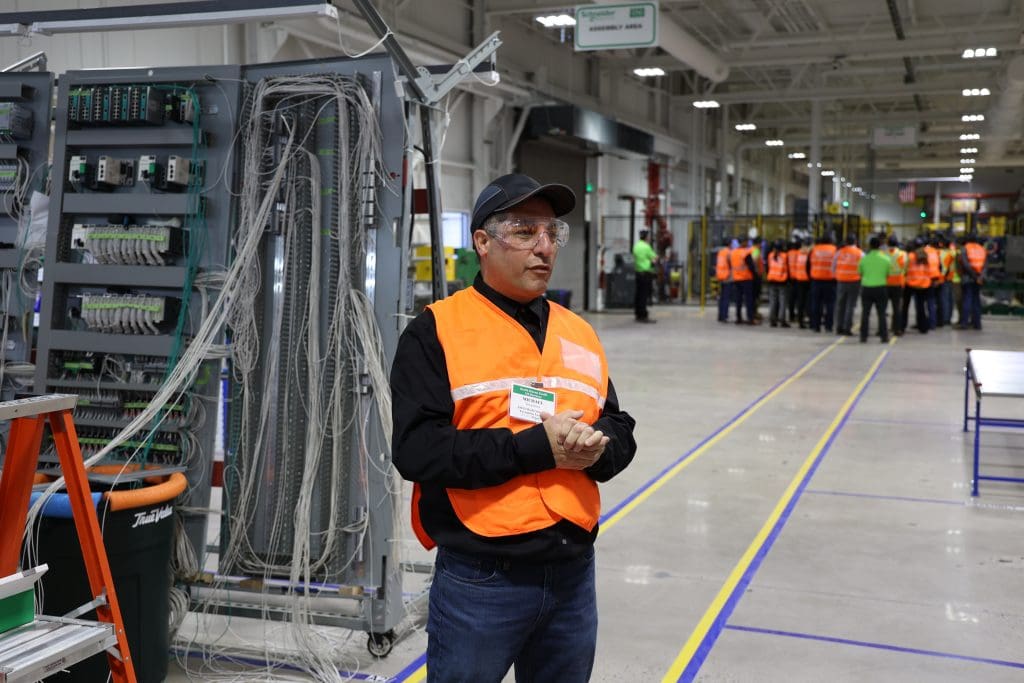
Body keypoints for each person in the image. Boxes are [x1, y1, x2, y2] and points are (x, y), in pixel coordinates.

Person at [390, 173, 637, 683]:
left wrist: (598, 449)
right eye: (525, 232)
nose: (543, 247)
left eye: (551, 234)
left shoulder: (579, 331)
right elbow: (417, 450)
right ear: (482, 241)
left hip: (573, 572)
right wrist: (533, 449)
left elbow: (616, 420)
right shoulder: (435, 331)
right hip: (483, 578)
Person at [858, 236, 890, 343]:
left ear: (869, 246)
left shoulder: (864, 259)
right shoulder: (886, 259)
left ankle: (863, 336)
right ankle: (884, 336)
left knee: (865, 313)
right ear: (880, 246)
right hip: (881, 288)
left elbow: (860, 273)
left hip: (867, 288)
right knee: (881, 313)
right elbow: (888, 274)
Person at [833, 234, 864, 336]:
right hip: (854, 281)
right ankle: (847, 328)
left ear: (846, 242)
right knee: (850, 305)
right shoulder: (860, 253)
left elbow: (833, 266)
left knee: (840, 305)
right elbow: (863, 268)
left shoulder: (839, 252)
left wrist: (836, 276)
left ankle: (838, 327)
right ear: (855, 241)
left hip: (841, 281)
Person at [808, 234, 837, 333]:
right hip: (830, 280)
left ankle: (816, 326)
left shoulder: (814, 249)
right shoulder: (834, 250)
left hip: (816, 280)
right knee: (830, 304)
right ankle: (828, 326)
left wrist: (811, 276)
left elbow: (808, 265)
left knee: (816, 303)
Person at [959, 232, 987, 330]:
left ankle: (964, 323)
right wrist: (980, 277)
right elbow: (985, 265)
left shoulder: (965, 248)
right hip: (979, 278)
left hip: (968, 278)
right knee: (976, 301)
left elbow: (965, 264)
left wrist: (974, 276)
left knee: (967, 300)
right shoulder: (982, 249)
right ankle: (977, 324)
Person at [906, 237, 932, 333]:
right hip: (924, 284)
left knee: (905, 306)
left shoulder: (910, 256)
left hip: (911, 283)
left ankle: (902, 326)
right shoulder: (927, 256)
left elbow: (905, 269)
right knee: (921, 307)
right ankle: (923, 327)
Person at [730, 235, 757, 325]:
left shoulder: (733, 252)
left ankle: (739, 317)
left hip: (737, 279)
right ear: (744, 242)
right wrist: (755, 275)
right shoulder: (746, 252)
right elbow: (751, 266)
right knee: (749, 299)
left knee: (739, 299)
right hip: (746, 278)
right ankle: (750, 318)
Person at [633, 229, 658, 323]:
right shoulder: (646, 247)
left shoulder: (636, 246)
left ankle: (638, 313)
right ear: (646, 237)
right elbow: (654, 258)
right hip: (646, 273)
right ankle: (643, 315)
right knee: (644, 295)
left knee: (638, 294)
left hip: (638, 273)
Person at [885, 236, 907, 336]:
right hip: (898, 283)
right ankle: (897, 329)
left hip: (885, 283)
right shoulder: (902, 254)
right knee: (897, 308)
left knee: (883, 308)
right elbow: (905, 268)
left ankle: (883, 329)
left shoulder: (883, 253)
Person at [765, 239, 790, 327]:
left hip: (772, 280)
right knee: (782, 301)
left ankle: (772, 319)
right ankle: (782, 319)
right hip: (782, 280)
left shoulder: (770, 255)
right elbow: (787, 268)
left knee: (773, 301)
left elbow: (767, 267)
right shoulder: (785, 256)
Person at [787, 237, 810, 328]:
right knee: (806, 301)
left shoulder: (797, 254)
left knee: (799, 300)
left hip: (798, 278)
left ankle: (799, 319)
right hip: (807, 280)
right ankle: (806, 317)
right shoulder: (809, 254)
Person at [715, 236, 733, 323]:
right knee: (726, 298)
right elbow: (732, 264)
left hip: (720, 276)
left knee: (721, 298)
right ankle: (724, 316)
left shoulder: (720, 252)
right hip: (727, 277)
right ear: (729, 243)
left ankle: (720, 315)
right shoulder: (729, 252)